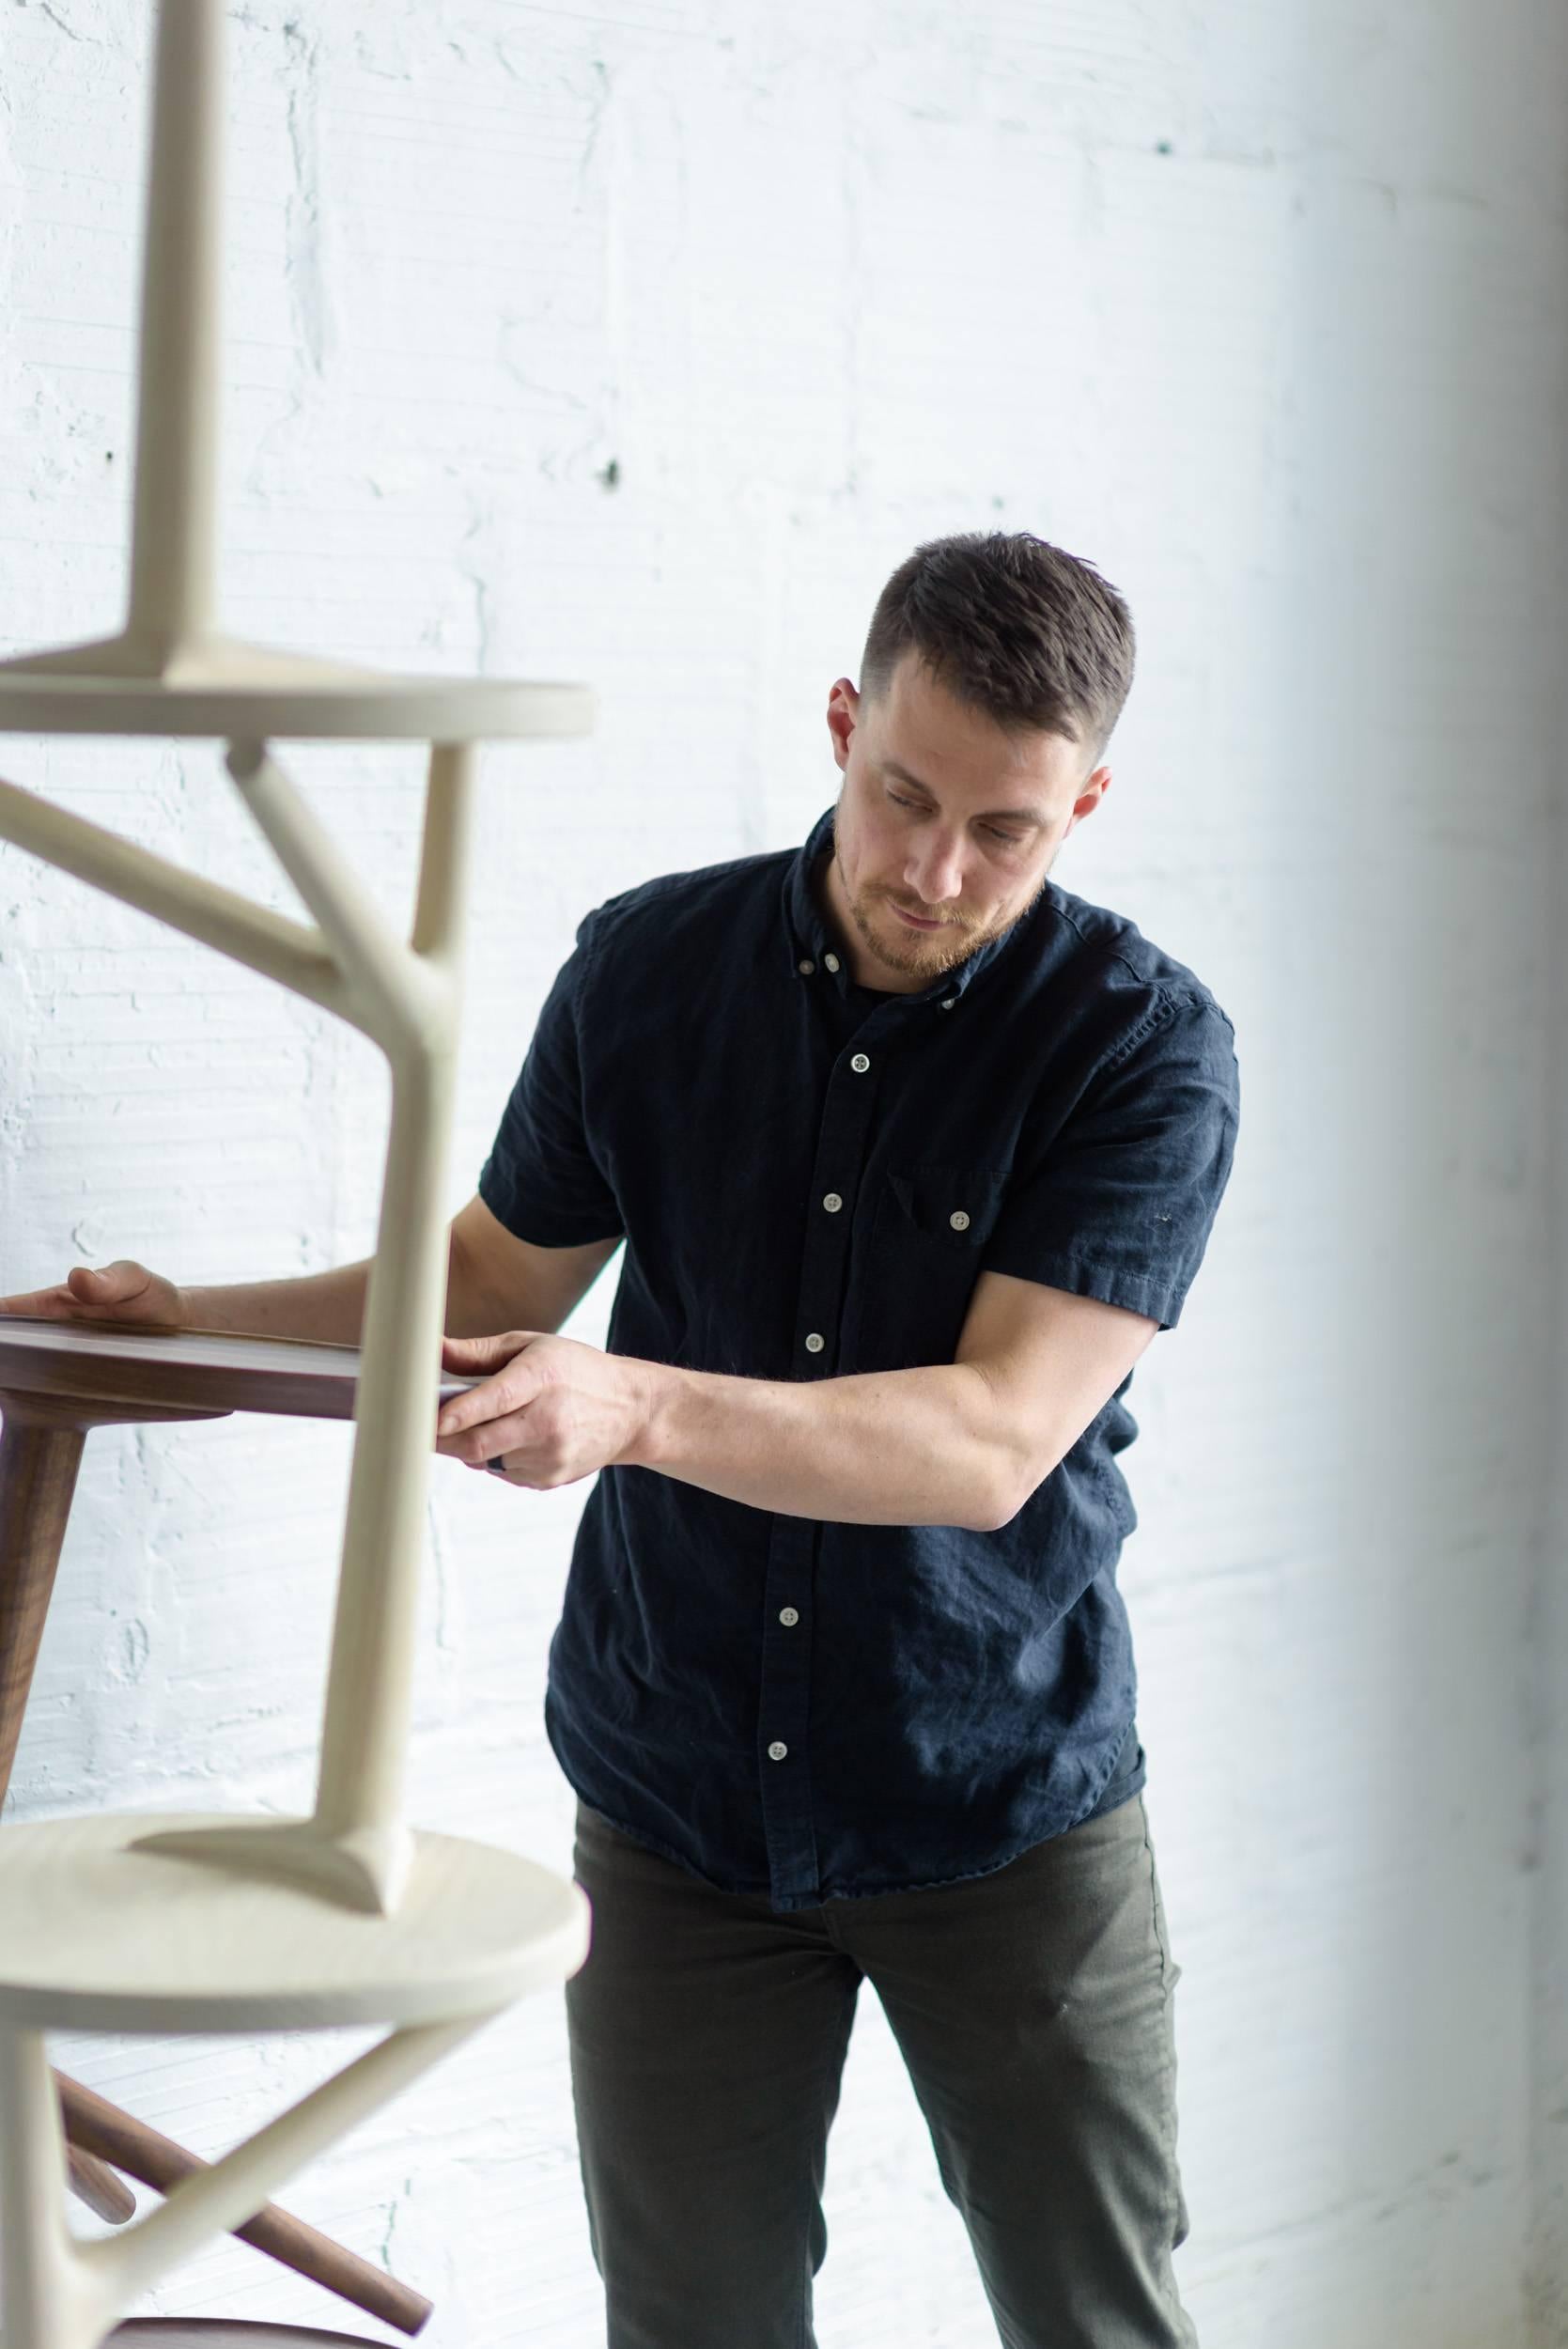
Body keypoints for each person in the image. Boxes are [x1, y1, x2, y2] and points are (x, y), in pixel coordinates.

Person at [3, 531, 1239, 2349]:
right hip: (677, 1805)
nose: (934, 868)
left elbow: (989, 1442)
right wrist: (191, 1313)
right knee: (689, 2326)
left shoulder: (1144, 1051)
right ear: (840, 722)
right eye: (903, 796)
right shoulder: (652, 967)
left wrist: (634, 1406)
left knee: (1096, 2318)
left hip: (999, 1806)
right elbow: (496, 1268)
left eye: (1007, 832)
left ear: (1087, 804)